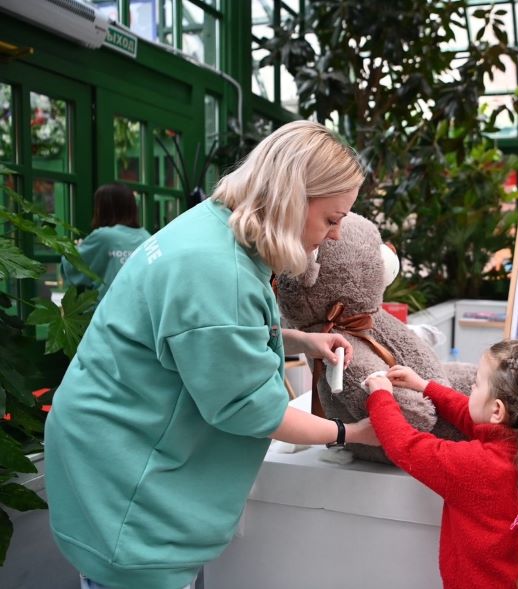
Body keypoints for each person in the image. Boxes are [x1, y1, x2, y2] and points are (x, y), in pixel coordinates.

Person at [44, 121, 380, 589]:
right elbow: (250, 408)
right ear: (292, 198)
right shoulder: (218, 270)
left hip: (112, 458)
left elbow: (202, 339)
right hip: (131, 492)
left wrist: (302, 341)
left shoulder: (213, 227)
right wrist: (354, 432)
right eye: (332, 218)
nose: (337, 235)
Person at [365, 340, 518, 589]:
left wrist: (381, 395)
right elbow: (473, 415)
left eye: (476, 384)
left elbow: (406, 445)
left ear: (497, 410)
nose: (472, 389)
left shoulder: (475, 466)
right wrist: (424, 386)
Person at [60, 182, 150, 300]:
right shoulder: (146, 236)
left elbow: (71, 266)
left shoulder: (104, 236)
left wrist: (77, 247)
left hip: (108, 312)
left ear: (102, 208)